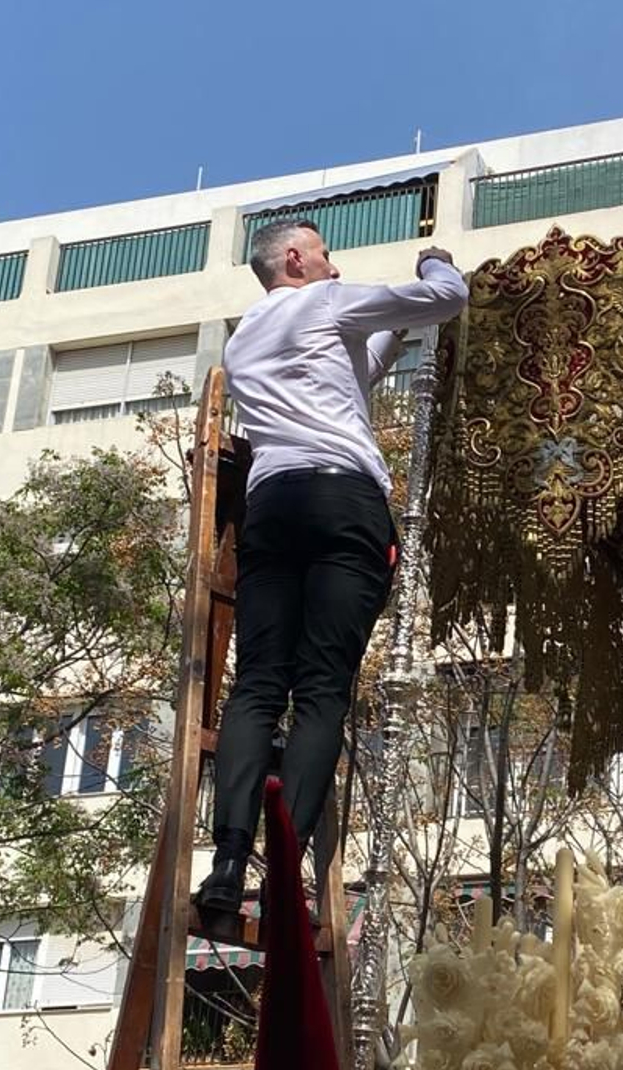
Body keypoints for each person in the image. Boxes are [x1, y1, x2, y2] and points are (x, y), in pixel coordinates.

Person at [195, 218, 469, 915]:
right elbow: (448, 297)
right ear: (295, 258)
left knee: (258, 685)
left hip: (272, 505)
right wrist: (435, 261)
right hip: (343, 499)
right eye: (325, 254)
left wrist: (390, 334)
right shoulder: (324, 301)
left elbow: (349, 374)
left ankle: (227, 864)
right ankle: (286, 873)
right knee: (322, 688)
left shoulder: (244, 338)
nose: (336, 266)